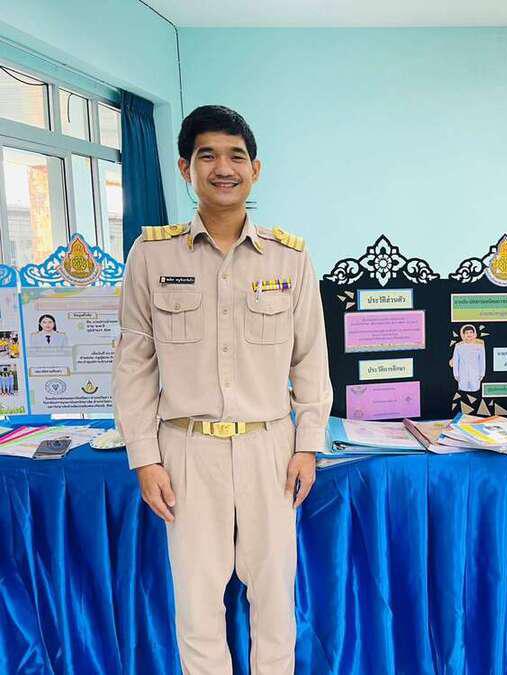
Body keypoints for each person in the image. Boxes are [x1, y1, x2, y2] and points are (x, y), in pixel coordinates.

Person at [113, 105, 333, 675]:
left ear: (255, 169)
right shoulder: (152, 255)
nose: (223, 168)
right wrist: (145, 458)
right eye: (207, 155)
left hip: (270, 448)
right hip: (187, 450)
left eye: (236, 156)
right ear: (185, 167)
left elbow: (311, 359)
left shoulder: (290, 257)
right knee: (196, 606)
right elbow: (134, 364)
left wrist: (307, 445)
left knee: (275, 602)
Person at [449, 324, 485, 392]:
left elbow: (482, 361)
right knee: (463, 388)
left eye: (471, 332)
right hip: (462, 373)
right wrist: (456, 374)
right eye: (467, 333)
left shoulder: (480, 346)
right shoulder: (458, 346)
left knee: (475, 388)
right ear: (463, 334)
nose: (469, 334)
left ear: (474, 333)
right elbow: (456, 361)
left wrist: (482, 374)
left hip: (475, 373)